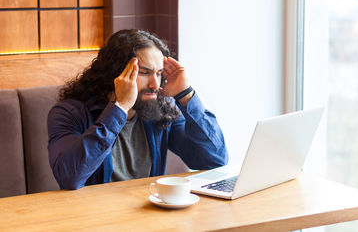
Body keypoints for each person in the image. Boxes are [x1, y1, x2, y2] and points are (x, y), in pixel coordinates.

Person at [47, 29, 228, 190]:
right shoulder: (70, 113)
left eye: (158, 73)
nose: (155, 84)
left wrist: (186, 96)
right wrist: (119, 108)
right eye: (144, 72)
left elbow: (214, 160)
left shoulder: (160, 110)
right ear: (116, 73)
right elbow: (70, 178)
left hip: (147, 215)